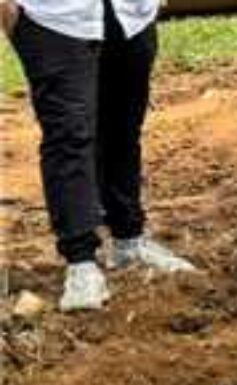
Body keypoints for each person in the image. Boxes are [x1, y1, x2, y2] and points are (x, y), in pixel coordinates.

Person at [3, 0, 196, 312]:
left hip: (130, 13)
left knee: (123, 127)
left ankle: (128, 239)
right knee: (69, 136)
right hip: (54, 17)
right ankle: (80, 262)